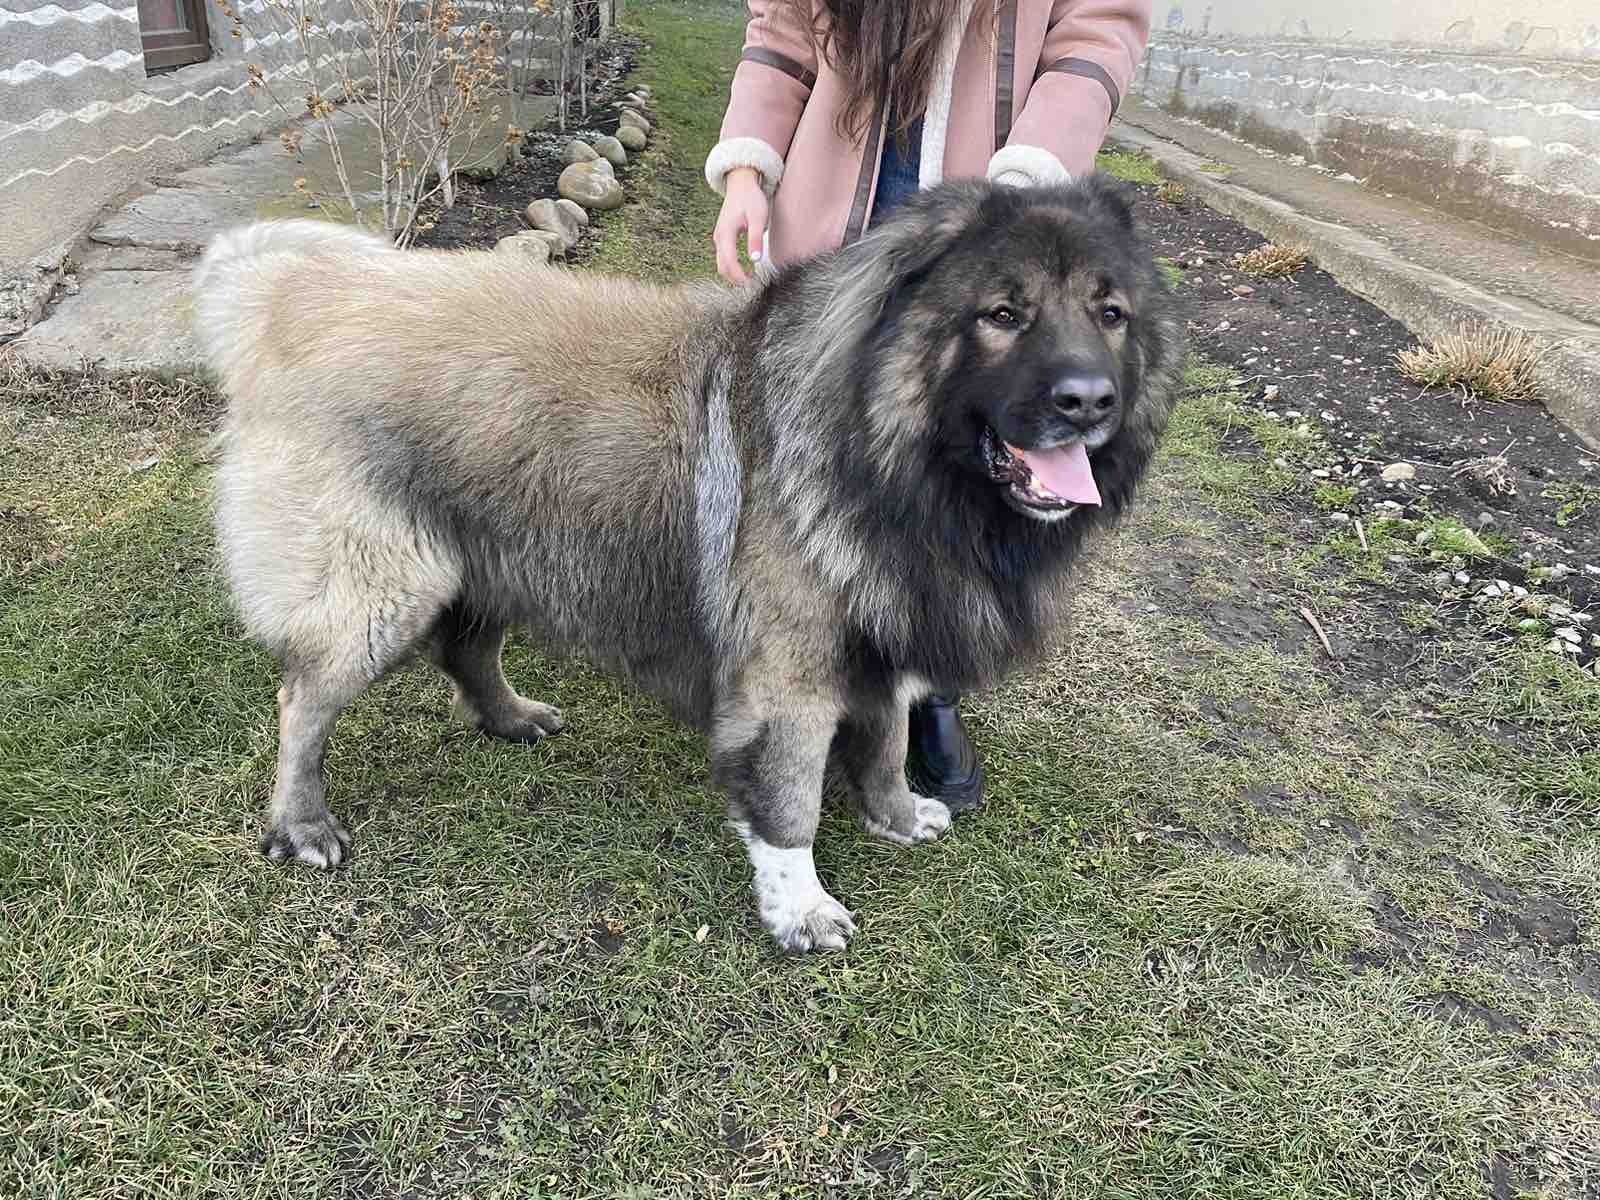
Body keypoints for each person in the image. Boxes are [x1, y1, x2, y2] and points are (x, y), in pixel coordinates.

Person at [706, 0, 1154, 813]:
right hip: (833, 195)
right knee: (828, 456)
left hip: (1000, 185)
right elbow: (782, 30)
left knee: (972, 460)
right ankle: (809, 649)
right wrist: (748, 167)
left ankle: (928, 683)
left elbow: (1098, 30)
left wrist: (1022, 187)